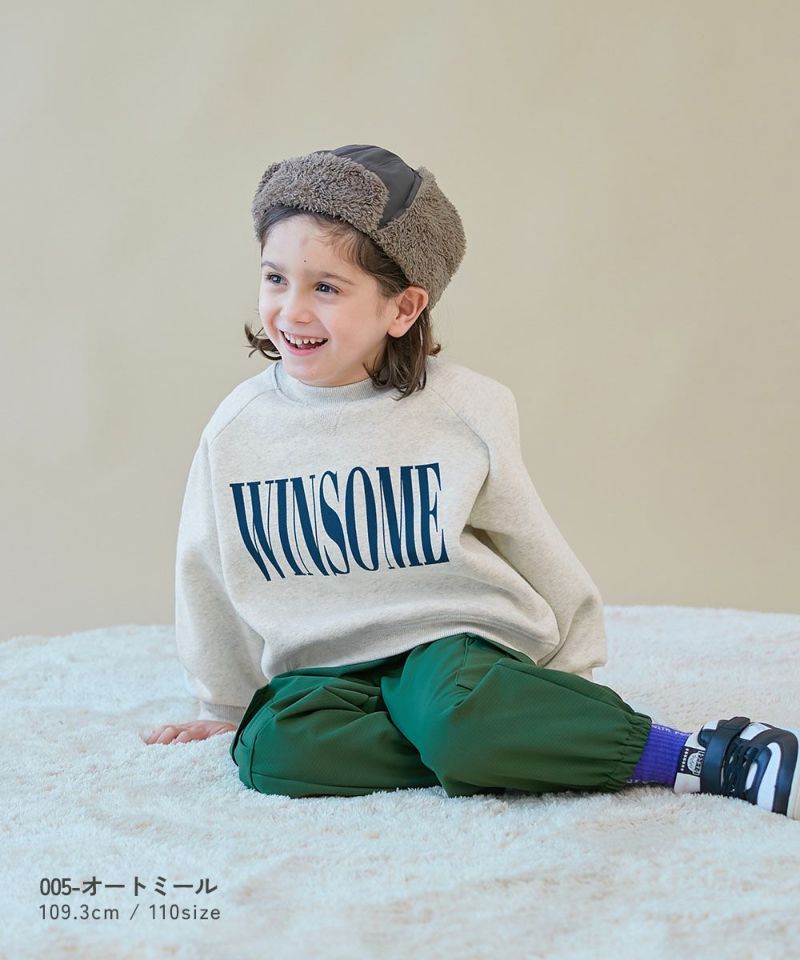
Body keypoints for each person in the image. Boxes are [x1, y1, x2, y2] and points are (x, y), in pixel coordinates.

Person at [143, 144, 799, 819]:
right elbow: (207, 569)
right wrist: (225, 707)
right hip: (324, 668)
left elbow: (528, 539)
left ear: (403, 308)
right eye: (275, 279)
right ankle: (496, 743)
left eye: (326, 288)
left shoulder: (464, 410)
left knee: (458, 714)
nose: (291, 310)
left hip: (452, 648)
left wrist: (568, 672)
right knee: (269, 750)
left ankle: (698, 755)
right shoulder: (238, 429)